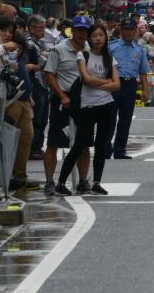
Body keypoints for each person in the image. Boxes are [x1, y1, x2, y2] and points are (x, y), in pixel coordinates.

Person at [55, 23, 119, 196]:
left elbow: (117, 85)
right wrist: (106, 82)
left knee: (101, 145)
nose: (98, 38)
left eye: (101, 35)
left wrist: (104, 83)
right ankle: (60, 182)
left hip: (107, 105)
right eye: (94, 36)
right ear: (89, 39)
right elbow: (87, 79)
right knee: (80, 144)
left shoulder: (109, 58)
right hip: (87, 105)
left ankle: (97, 182)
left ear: (106, 38)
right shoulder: (83, 55)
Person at [43, 16, 93, 196]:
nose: (82, 34)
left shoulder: (91, 50)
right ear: (73, 30)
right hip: (63, 99)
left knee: (84, 142)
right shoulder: (59, 49)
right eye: (79, 30)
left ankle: (83, 180)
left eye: (85, 31)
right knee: (54, 142)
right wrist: (62, 96)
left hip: (85, 100)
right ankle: (49, 181)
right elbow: (49, 75)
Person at [0, 24, 37, 192]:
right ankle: (2, 177)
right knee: (7, 140)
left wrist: (28, 95)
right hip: (11, 101)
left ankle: (20, 176)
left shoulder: (21, 56)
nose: (17, 50)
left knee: (26, 139)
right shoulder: (3, 53)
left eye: (20, 47)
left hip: (24, 100)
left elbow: (24, 72)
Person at [108, 19, 150, 159]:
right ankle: (106, 149)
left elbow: (143, 72)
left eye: (132, 29)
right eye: (126, 29)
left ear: (136, 31)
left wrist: (146, 89)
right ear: (121, 30)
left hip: (130, 85)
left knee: (125, 119)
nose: (129, 32)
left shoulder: (140, 49)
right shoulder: (111, 47)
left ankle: (120, 150)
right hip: (113, 84)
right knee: (109, 118)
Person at [26, 15, 51, 160]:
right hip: (35, 84)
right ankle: (34, 148)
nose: (43, 30)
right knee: (37, 117)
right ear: (31, 28)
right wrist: (47, 60)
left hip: (43, 83)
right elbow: (43, 63)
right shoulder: (30, 44)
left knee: (43, 117)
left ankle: (38, 147)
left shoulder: (39, 43)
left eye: (44, 27)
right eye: (40, 28)